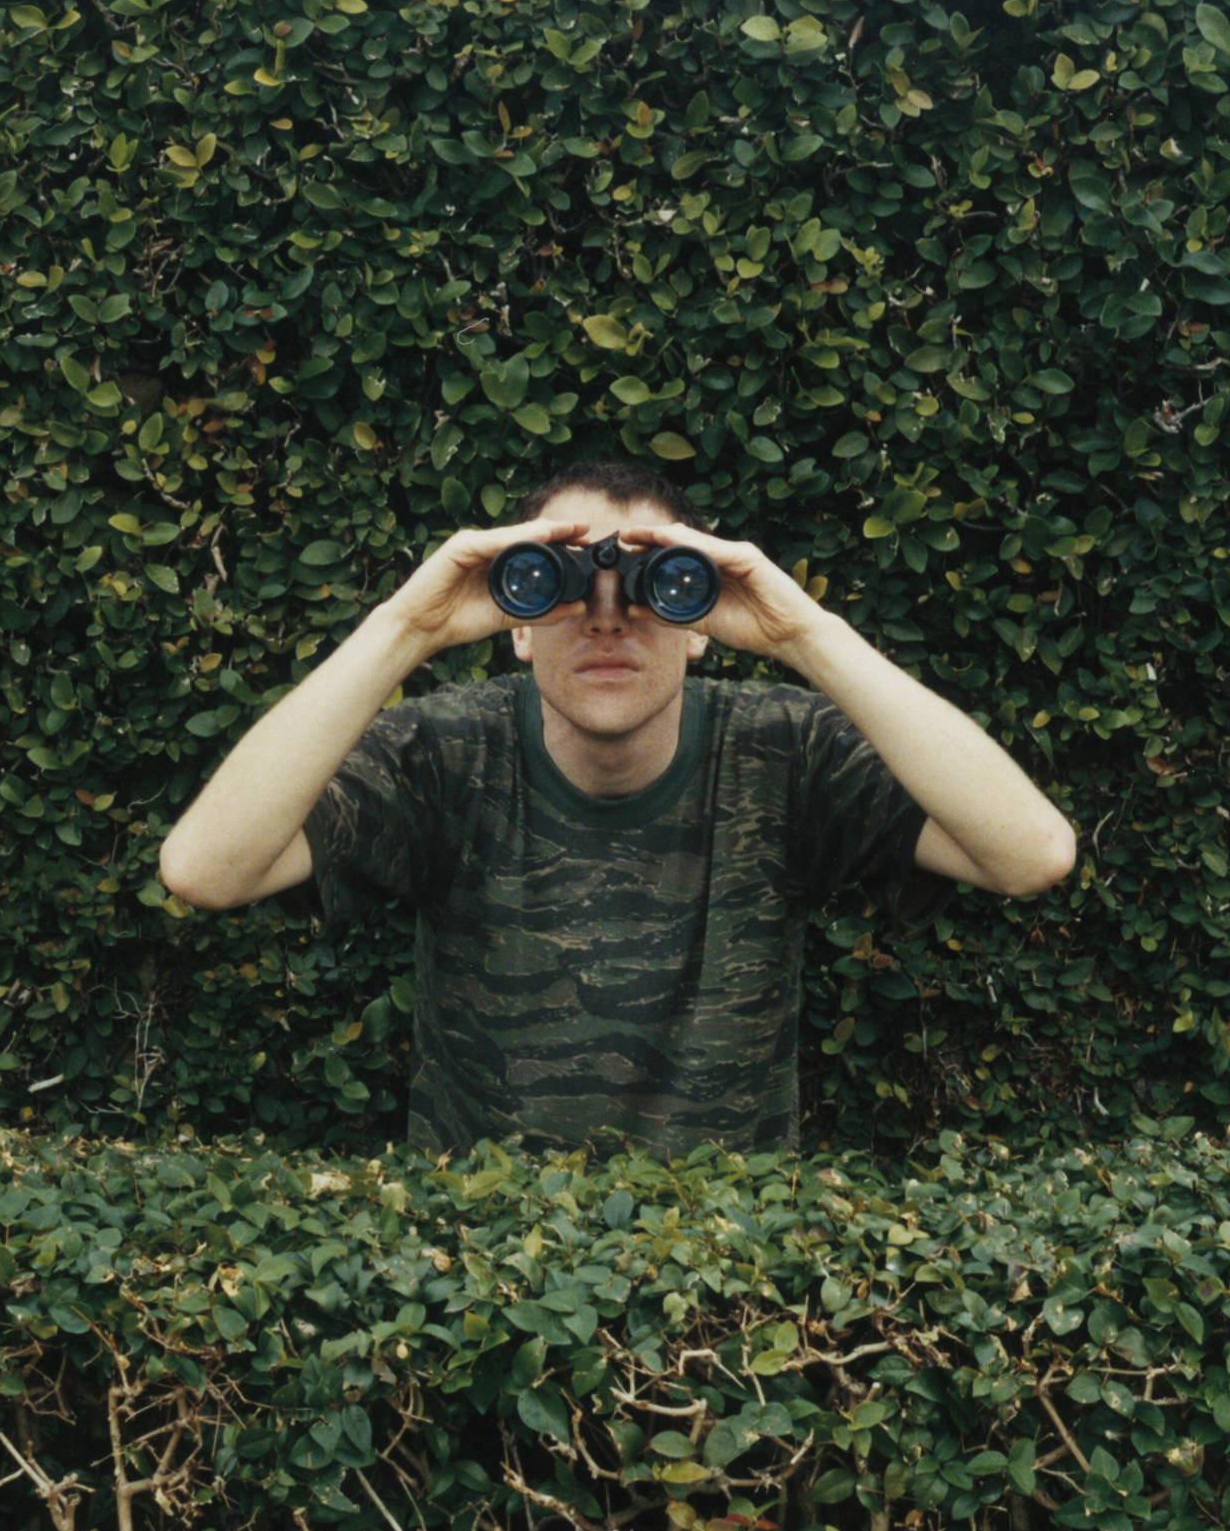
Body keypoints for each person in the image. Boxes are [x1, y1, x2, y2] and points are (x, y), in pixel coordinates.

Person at [155, 463, 1076, 1155]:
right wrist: (410, 626)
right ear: (515, 620)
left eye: (657, 585)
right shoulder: (446, 755)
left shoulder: (784, 754)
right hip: (478, 1275)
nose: (607, 617)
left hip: (726, 1285)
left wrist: (806, 634)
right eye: (558, 585)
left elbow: (1031, 852)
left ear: (702, 620)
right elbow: (205, 869)